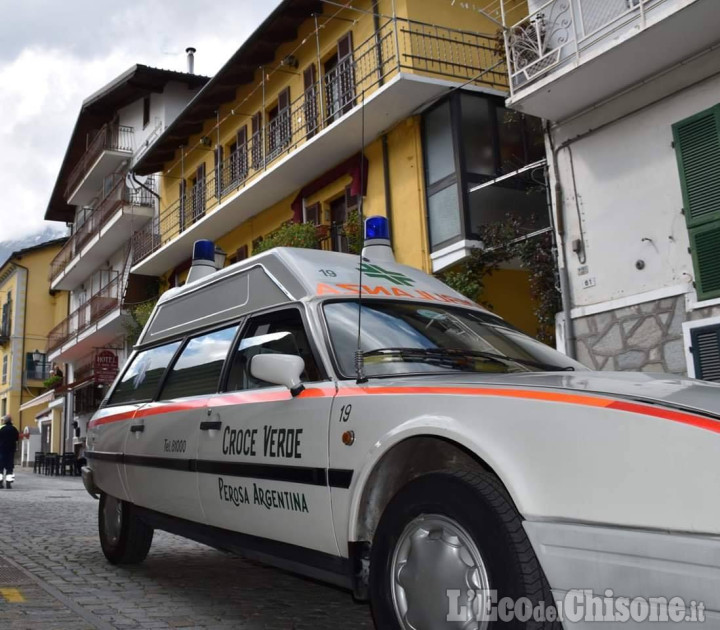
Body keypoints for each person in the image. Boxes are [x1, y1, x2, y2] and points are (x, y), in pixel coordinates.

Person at [0, 415, 19, 489]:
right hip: (11, 451)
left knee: (0, 468)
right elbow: (17, 438)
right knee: (9, 468)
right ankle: (8, 483)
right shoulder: (14, 429)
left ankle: (0, 483)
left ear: (4, 421)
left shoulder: (1, 428)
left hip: (1, 450)